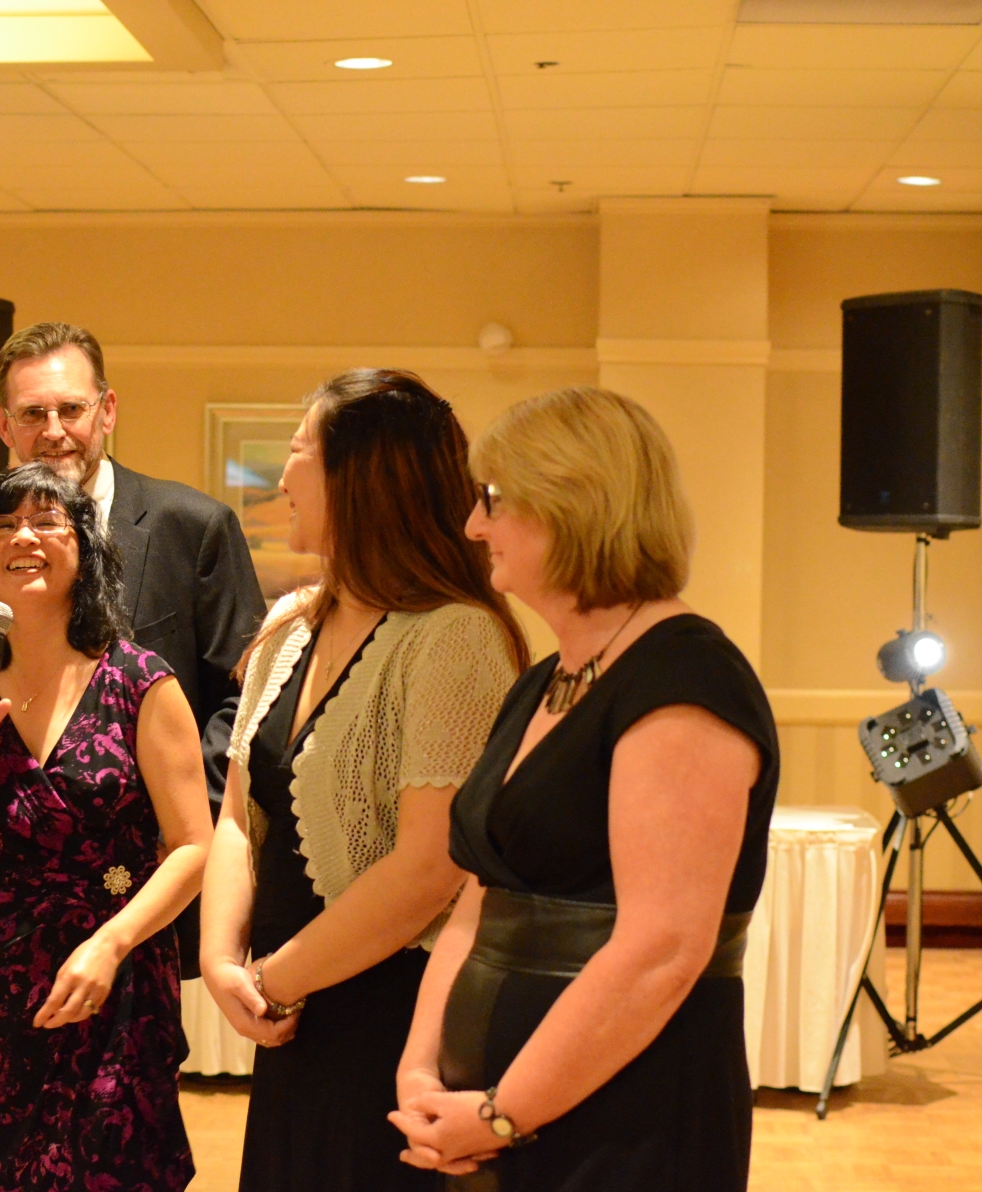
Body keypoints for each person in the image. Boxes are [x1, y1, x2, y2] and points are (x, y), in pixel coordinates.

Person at [390, 387, 780, 1191]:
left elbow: (660, 950)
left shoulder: (685, 677)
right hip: (494, 1117)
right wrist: (421, 1072)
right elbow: (480, 897)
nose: (474, 526)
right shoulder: (544, 681)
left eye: (492, 499)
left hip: (625, 1122)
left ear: (569, 501)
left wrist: (503, 1113)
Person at [0, 321, 264, 1190]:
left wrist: (161, 819)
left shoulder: (189, 533)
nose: (54, 431)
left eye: (70, 409)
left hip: (127, 911)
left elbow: (244, 700)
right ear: (4, 425)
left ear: (106, 411)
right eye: (33, 413)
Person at [199, 369, 529, 1192]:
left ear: (361, 478)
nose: (281, 476)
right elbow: (238, 816)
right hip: (295, 1017)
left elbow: (429, 868)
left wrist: (271, 980)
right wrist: (220, 961)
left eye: (298, 451)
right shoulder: (290, 624)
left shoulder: (453, 637)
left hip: (390, 1018)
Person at [0, 464, 213, 1192]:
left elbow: (194, 847)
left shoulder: (140, 681)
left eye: (47, 521)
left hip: (116, 986)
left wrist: (110, 945)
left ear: (86, 547)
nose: (24, 538)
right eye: (2, 525)